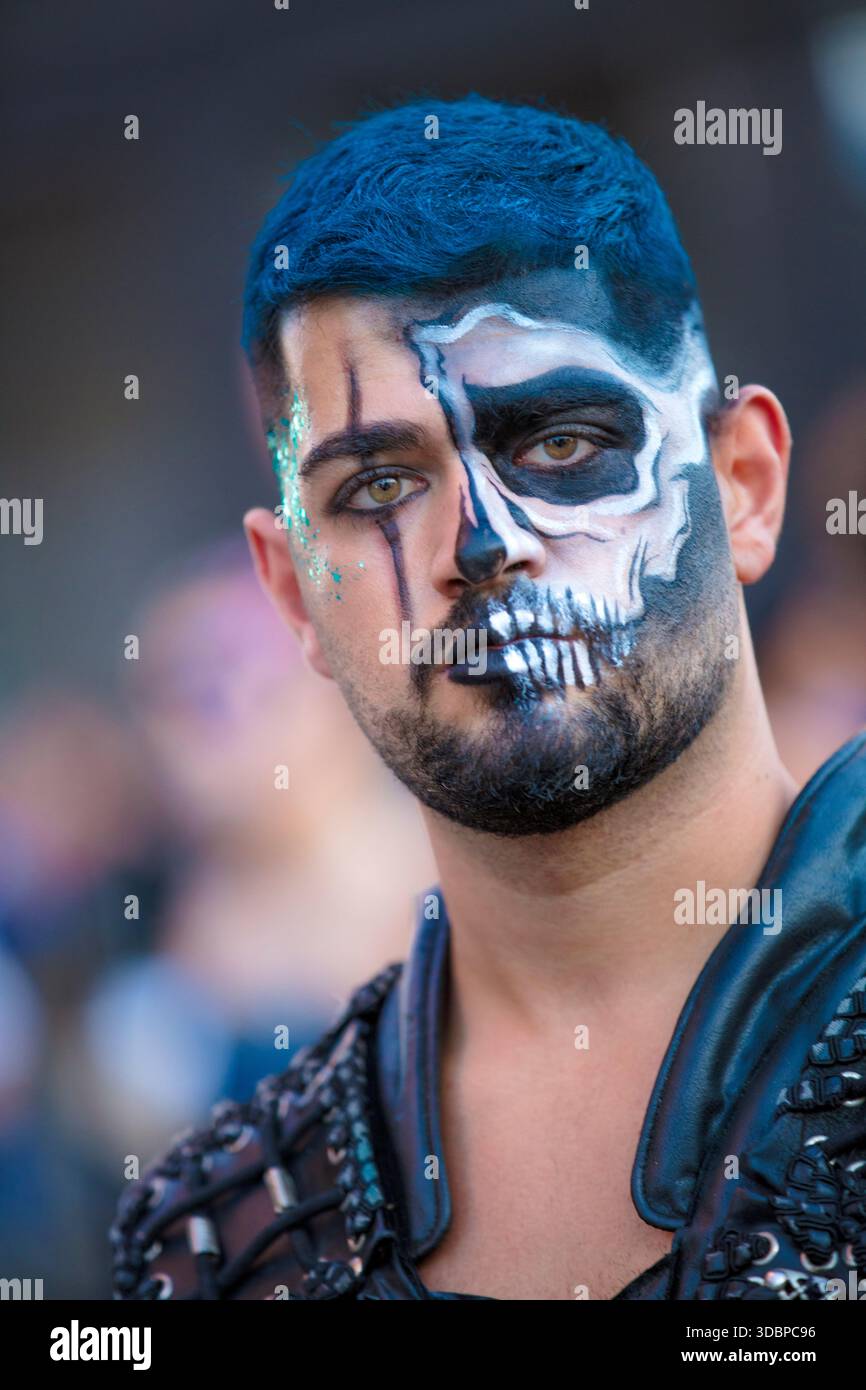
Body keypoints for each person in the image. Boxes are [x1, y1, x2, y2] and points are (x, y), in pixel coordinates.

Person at [110, 95, 866, 1302]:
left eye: (558, 442)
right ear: (294, 593)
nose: (481, 542)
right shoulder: (225, 1234)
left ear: (745, 486)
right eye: (379, 484)